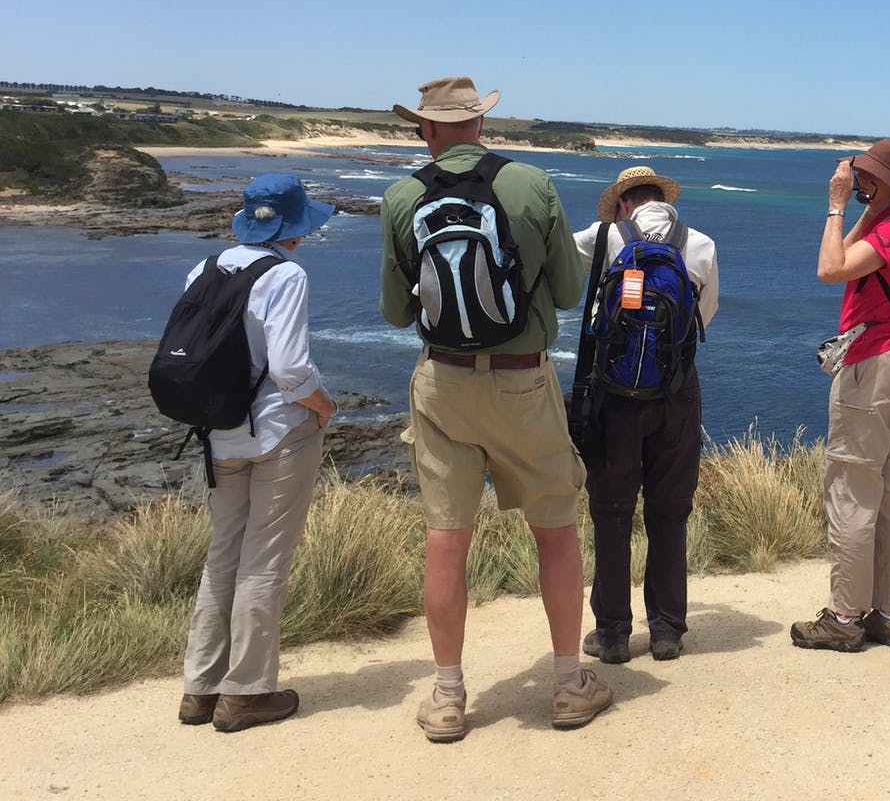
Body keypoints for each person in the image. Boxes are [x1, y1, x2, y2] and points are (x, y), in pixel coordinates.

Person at [378, 76, 609, 740]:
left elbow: (396, 312)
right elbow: (567, 291)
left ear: (426, 129)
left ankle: (448, 697)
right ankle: (568, 685)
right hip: (521, 382)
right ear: (479, 124)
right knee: (555, 529)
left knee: (446, 538)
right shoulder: (531, 185)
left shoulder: (400, 197)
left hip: (442, 384)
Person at [178, 174, 336, 732]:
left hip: (218, 432)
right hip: (276, 432)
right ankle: (245, 693)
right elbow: (289, 367)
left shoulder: (206, 267)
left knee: (223, 553)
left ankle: (200, 688)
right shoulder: (286, 274)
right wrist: (324, 405)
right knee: (264, 560)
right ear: (295, 226)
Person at [573, 166, 719, 664]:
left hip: (614, 395)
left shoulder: (604, 237)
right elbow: (704, 316)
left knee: (611, 510)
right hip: (676, 392)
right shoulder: (701, 244)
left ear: (622, 203)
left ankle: (613, 634)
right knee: (670, 510)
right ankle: (667, 631)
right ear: (665, 201)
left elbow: (559, 270)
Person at [791, 138, 890, 653]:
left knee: (851, 492)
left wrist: (836, 204)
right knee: (889, 495)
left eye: (870, 176)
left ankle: (845, 617)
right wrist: (867, 207)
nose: (859, 180)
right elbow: (845, 255)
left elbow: (829, 269)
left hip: (871, 370)